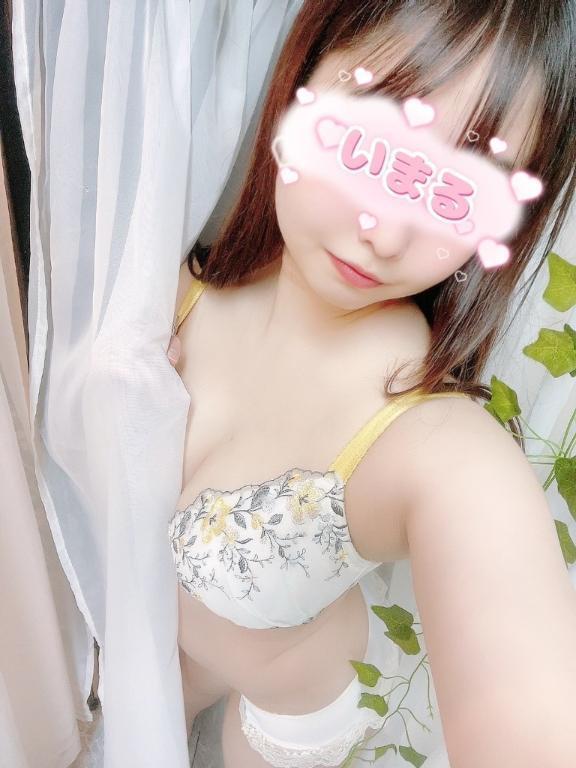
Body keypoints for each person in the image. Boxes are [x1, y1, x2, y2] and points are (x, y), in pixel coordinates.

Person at [166, 1, 576, 766]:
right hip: (156, 662)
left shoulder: (438, 449)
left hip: (280, 724)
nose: (384, 231)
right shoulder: (159, 284)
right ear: (304, 69)